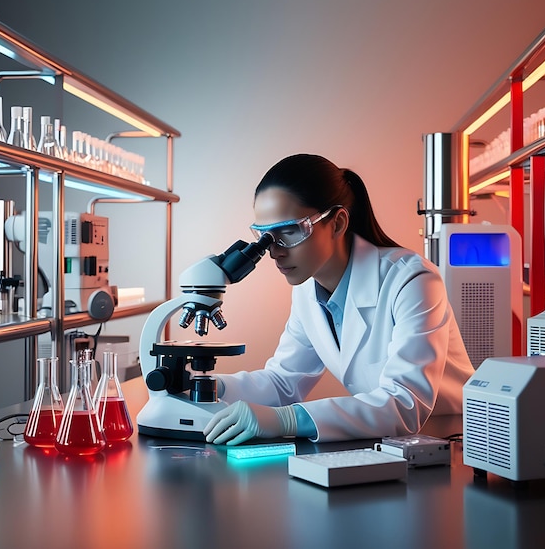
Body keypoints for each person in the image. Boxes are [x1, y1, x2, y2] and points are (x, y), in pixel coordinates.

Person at [203, 154, 475, 446]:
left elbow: (405, 403)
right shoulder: (308, 291)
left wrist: (289, 419)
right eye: (266, 236)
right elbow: (284, 382)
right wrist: (211, 388)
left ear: (337, 223)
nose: (275, 251)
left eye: (289, 231)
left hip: (454, 444)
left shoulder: (412, 280)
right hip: (389, 445)